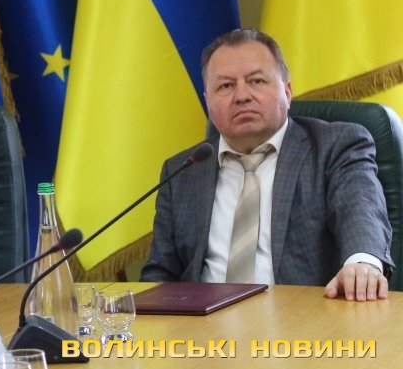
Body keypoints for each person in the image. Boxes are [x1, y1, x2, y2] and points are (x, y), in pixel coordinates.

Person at [142, 28, 393, 302]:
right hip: (204, 324)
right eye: (225, 86)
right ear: (208, 102)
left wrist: (362, 263)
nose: (242, 96)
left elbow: (360, 210)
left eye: (256, 81)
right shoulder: (183, 170)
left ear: (287, 91)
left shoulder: (335, 146)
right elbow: (160, 274)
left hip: (304, 319)